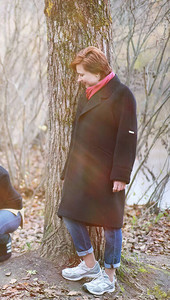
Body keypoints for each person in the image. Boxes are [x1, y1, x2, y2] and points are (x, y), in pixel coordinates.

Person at [58, 46, 137, 296]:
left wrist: (121, 174)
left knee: (111, 224)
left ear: (98, 71)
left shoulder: (122, 95)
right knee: (69, 213)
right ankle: (90, 265)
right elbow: (76, 134)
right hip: (80, 170)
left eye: (82, 74)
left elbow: (128, 138)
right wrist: (67, 168)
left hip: (108, 172)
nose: (78, 79)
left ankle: (110, 277)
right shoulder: (88, 92)